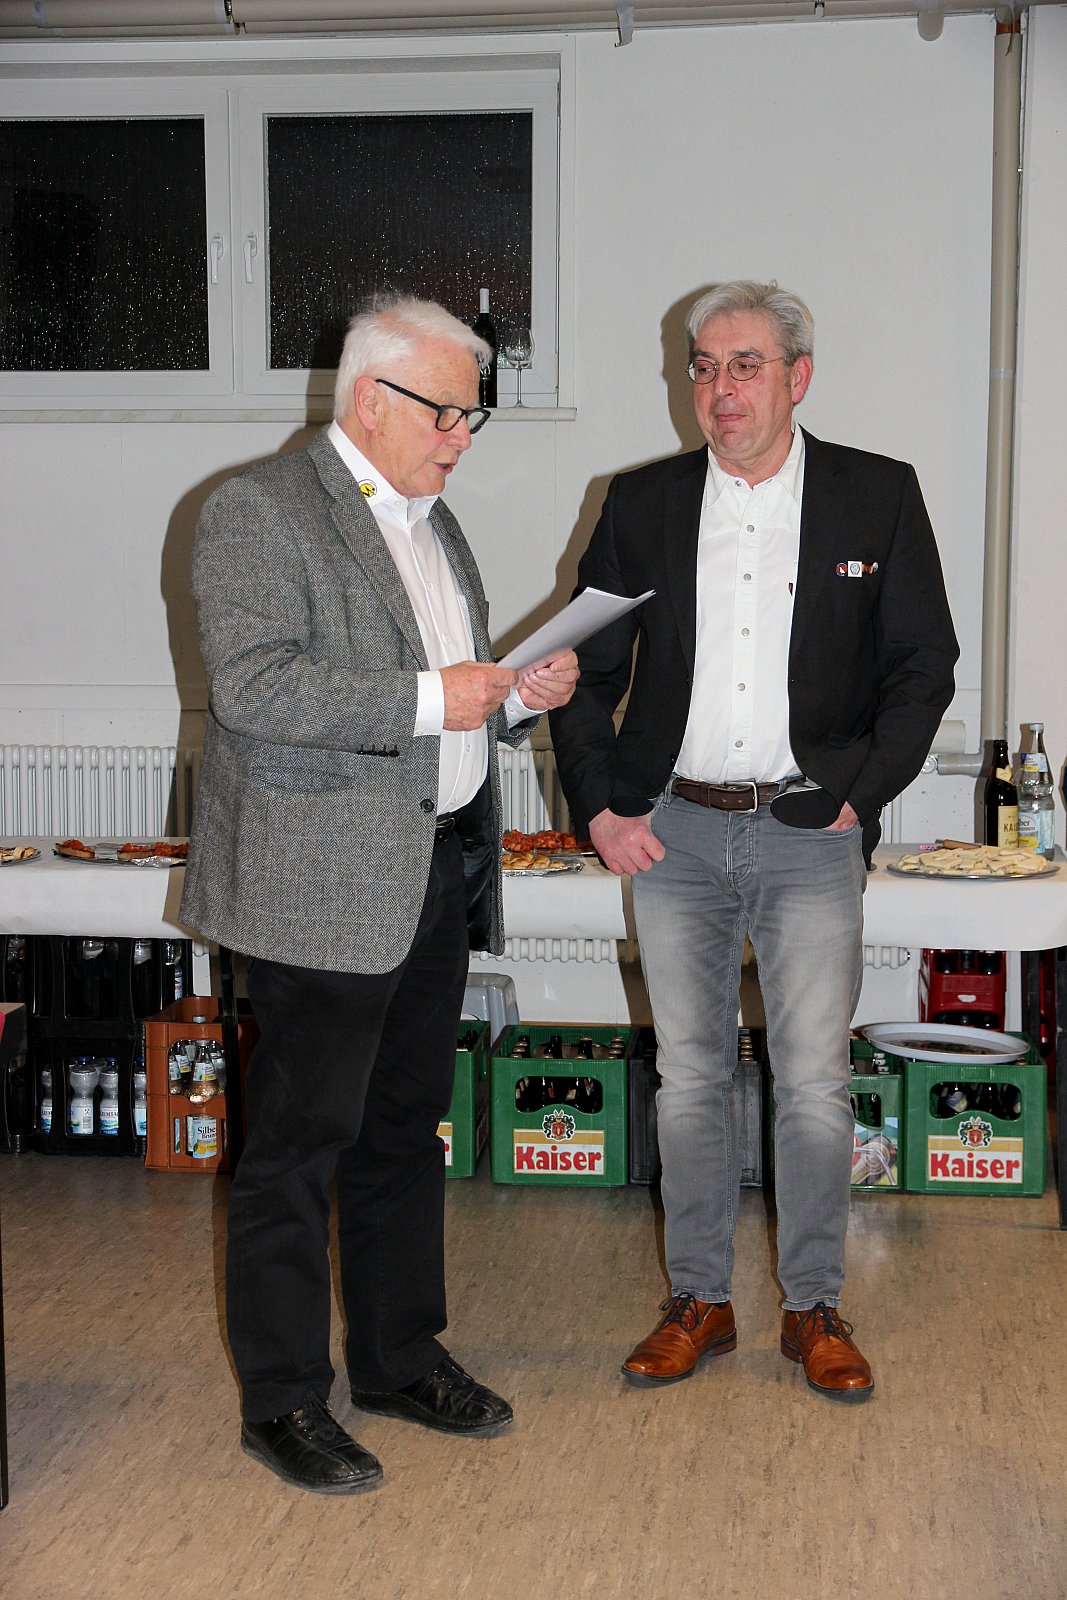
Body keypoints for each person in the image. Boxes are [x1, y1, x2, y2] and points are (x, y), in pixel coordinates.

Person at [180, 295, 578, 1493]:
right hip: (315, 885)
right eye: (447, 411)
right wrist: (431, 697)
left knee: (406, 1130)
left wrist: (513, 698)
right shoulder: (257, 509)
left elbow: (448, 699)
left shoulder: (433, 523)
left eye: (471, 417)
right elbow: (254, 686)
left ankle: (399, 1358)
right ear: (371, 398)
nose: (462, 435)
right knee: (297, 1148)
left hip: (433, 868)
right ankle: (283, 1400)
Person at [550, 280, 957, 1404]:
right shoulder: (641, 502)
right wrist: (601, 805)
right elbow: (581, 667)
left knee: (812, 1083)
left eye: (743, 365)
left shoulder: (875, 495)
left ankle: (812, 1306)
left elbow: (922, 666)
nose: (718, 389)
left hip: (809, 829)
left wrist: (860, 794)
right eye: (701, 367)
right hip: (671, 829)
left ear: (796, 377)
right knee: (686, 1078)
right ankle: (699, 1300)